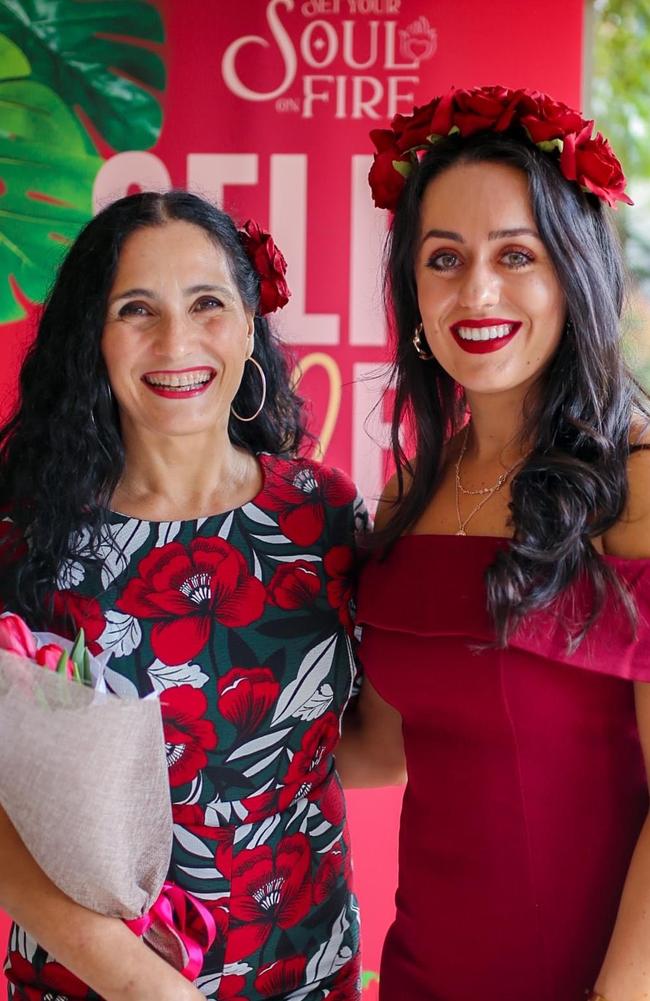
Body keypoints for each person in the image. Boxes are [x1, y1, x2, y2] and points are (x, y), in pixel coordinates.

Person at [0, 191, 366, 1001]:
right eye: (137, 309)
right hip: (93, 981)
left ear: (247, 328)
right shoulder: (25, 534)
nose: (176, 341)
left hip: (304, 963)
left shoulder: (324, 513)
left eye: (207, 303)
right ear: (92, 338)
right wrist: (137, 984)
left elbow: (365, 740)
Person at [335, 86, 650, 1001]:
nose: (476, 292)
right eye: (445, 259)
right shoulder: (409, 491)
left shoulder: (635, 483)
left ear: (574, 274)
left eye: (517, 254)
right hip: (424, 974)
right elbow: (382, 748)